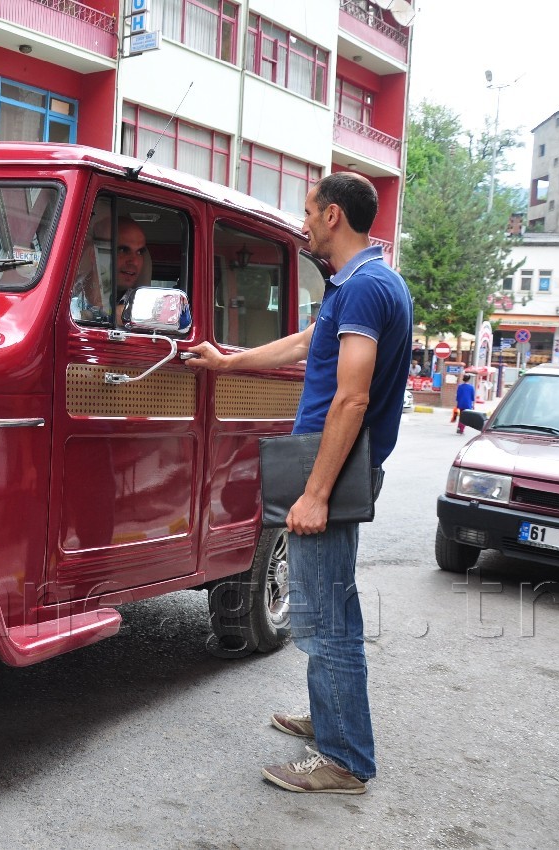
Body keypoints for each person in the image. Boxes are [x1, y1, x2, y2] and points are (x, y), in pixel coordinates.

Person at [186, 171, 411, 795]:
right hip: (332, 467)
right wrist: (229, 362)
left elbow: (352, 398)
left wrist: (314, 492)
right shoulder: (360, 285)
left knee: (327, 616)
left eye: (309, 211)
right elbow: (305, 345)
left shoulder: (364, 290)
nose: (302, 222)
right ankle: (332, 721)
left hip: (332, 472)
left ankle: (343, 759)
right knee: (321, 606)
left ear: (334, 216)